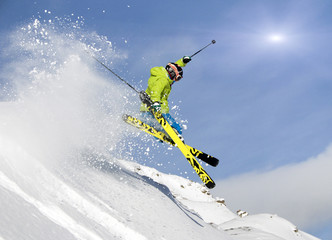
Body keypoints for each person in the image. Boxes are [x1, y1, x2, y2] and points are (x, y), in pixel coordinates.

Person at [139, 56, 192, 135]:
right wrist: (156, 102)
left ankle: (159, 133)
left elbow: (175, 66)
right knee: (171, 123)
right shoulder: (163, 80)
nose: (176, 81)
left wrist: (183, 62)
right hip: (159, 109)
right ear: (173, 74)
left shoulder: (162, 75)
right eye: (178, 78)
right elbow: (156, 91)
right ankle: (175, 133)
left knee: (154, 125)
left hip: (146, 108)